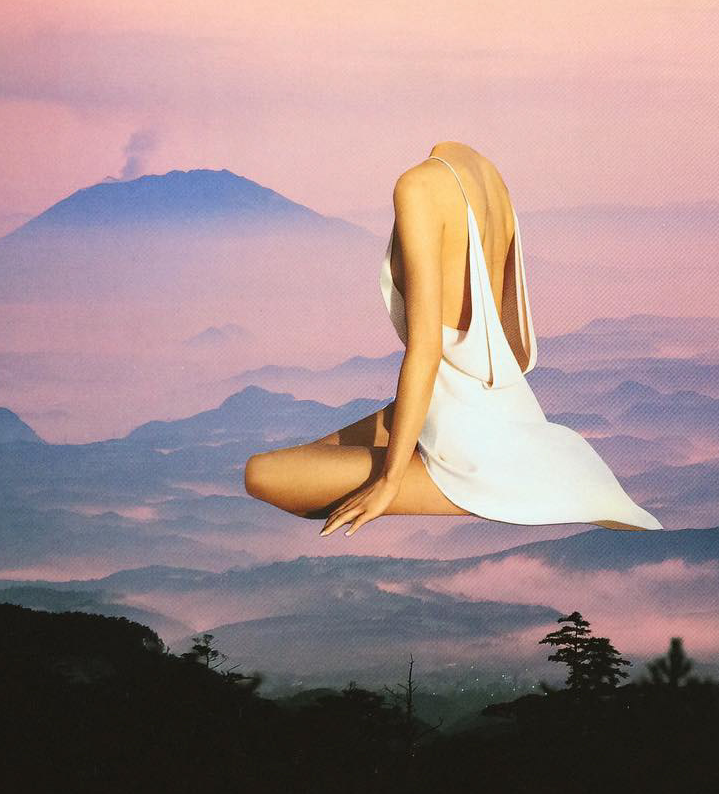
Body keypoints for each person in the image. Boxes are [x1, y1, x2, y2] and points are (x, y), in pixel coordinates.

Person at [244, 140, 663, 537]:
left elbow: (425, 350)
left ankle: (496, 488)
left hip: (464, 436)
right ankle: (512, 472)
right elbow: (509, 340)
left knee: (261, 474)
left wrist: (390, 481)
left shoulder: (418, 186)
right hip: (493, 407)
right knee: (312, 460)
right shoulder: (489, 179)